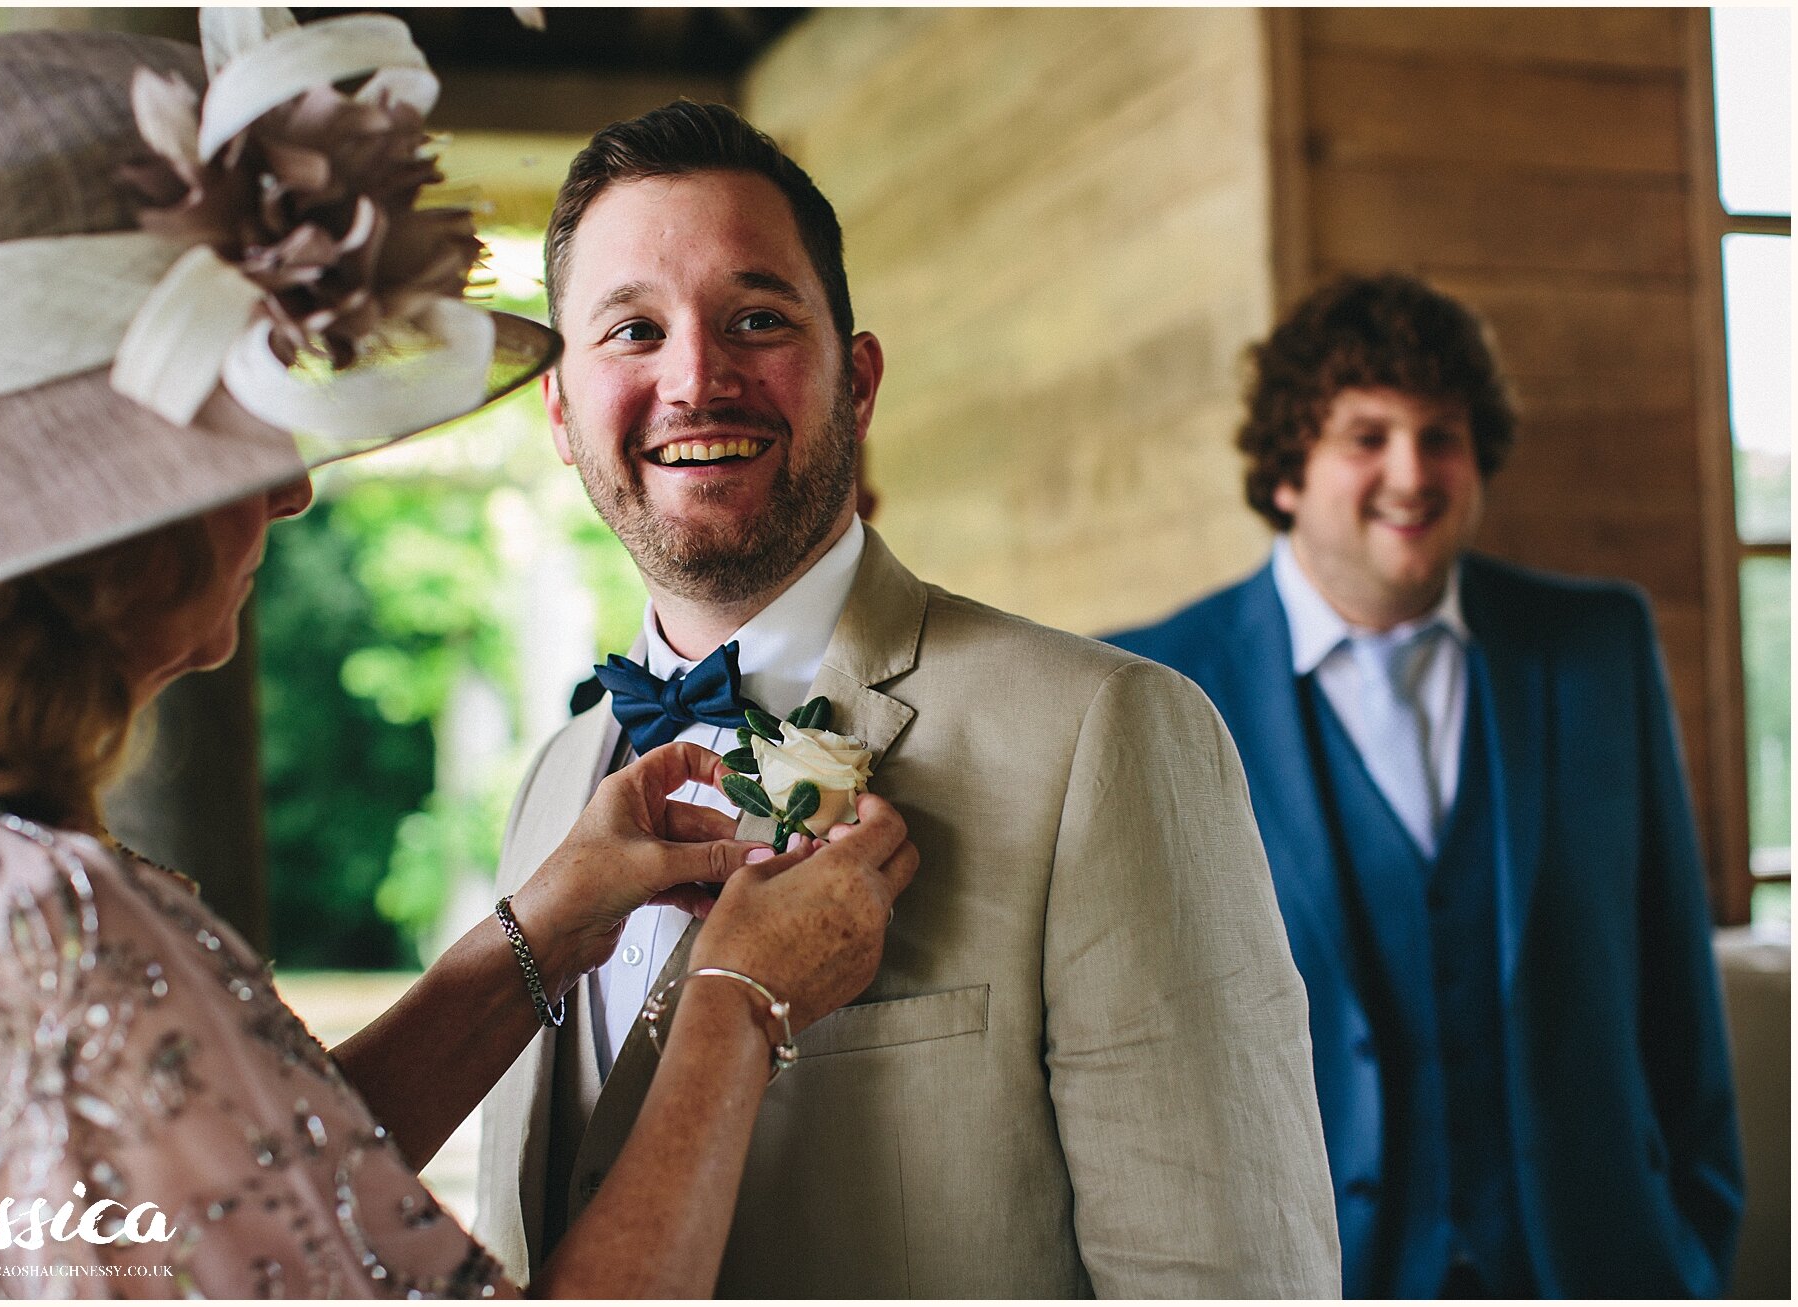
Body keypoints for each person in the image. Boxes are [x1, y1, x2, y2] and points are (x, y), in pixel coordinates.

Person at [0, 14, 917, 1298]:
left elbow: (228, 1193)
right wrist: (739, 996)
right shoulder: (45, 929)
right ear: (101, 511)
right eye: (252, 431)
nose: (293, 492)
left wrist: (534, 931)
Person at [472, 100, 1339, 1298]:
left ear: (858, 378)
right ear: (561, 413)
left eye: (757, 319)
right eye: (632, 330)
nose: (697, 377)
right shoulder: (553, 784)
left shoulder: (1101, 734)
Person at [1108, 273, 1744, 1297]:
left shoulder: (1595, 648)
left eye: (1440, 434)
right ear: (1286, 473)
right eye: (1366, 436)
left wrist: (1693, 1243)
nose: (1411, 472)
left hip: (1596, 1266)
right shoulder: (1155, 684)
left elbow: (1672, 977)